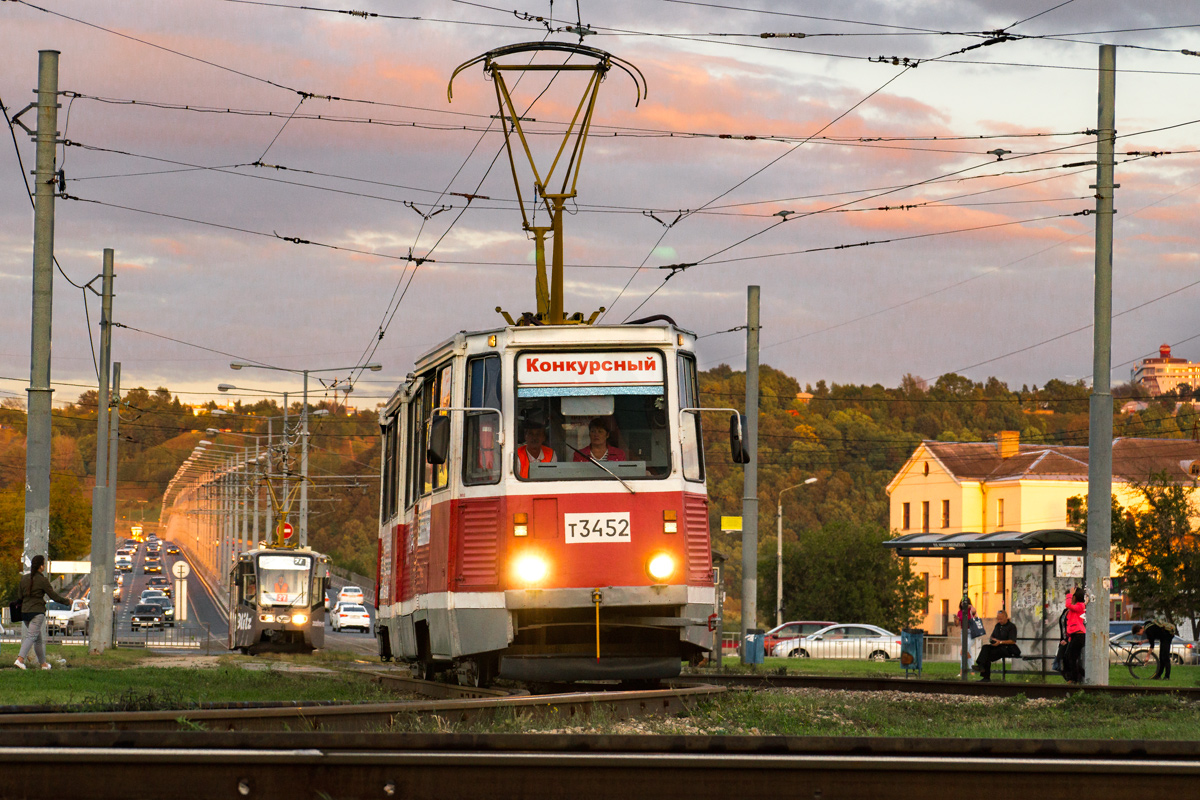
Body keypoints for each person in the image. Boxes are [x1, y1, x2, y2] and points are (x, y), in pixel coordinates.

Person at [14, 554, 70, 671]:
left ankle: (43, 664)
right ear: (41, 566)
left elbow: (19, 596)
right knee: (31, 636)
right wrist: (67, 601)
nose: (44, 566)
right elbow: (54, 596)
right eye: (43, 564)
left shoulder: (24, 579)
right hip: (37, 613)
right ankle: (20, 660)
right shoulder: (42, 580)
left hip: (25, 613)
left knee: (38, 639)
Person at [972, 609, 1020, 682]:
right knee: (985, 648)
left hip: (1007, 648)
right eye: (998, 619)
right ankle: (981, 666)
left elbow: (1012, 641)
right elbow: (992, 636)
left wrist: (1000, 642)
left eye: (1001, 619)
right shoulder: (997, 626)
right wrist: (992, 640)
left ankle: (985, 674)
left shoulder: (1011, 627)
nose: (1000, 621)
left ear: (1006, 617)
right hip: (997, 646)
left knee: (987, 656)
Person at [1062, 586, 1087, 683]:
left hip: (1079, 635)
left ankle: (1074, 679)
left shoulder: (1080, 606)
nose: (1068, 598)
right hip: (1074, 635)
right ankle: (1083, 675)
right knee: (1069, 657)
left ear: (1075, 597)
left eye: (1072, 596)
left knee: (1071, 657)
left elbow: (1068, 605)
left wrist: (1070, 594)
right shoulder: (1077, 606)